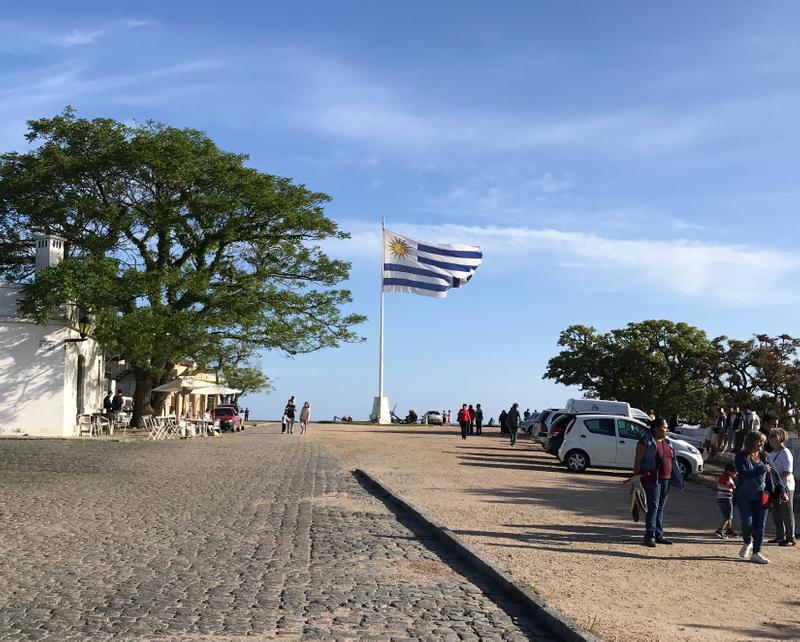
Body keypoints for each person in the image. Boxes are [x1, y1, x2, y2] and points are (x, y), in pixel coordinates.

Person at [632, 417, 678, 547]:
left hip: (666, 479)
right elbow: (638, 461)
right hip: (652, 479)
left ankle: (658, 535)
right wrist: (636, 479)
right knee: (653, 507)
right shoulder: (645, 441)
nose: (667, 429)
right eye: (665, 427)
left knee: (660, 508)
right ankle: (649, 536)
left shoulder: (668, 442)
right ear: (657, 428)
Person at [734, 431, 771, 563]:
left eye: (763, 441)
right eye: (759, 441)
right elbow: (743, 473)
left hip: (762, 495)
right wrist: (760, 470)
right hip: (744, 495)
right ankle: (747, 541)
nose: (762, 443)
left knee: (760, 524)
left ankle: (756, 552)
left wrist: (782, 489)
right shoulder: (740, 456)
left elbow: (774, 473)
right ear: (750, 442)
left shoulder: (764, 456)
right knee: (747, 522)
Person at [767, 428, 795, 546]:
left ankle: (790, 537)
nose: (772, 438)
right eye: (771, 435)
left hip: (785, 486)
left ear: (781, 437)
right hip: (775, 487)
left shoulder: (785, 452)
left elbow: (787, 471)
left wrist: (777, 482)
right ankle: (780, 536)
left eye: (774, 435)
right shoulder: (771, 453)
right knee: (776, 512)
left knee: (786, 512)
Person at [715, 463, 737, 538]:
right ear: (728, 471)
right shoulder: (729, 479)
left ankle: (729, 529)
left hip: (720, 498)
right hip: (726, 498)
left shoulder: (721, 477)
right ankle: (720, 530)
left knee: (727, 514)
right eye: (734, 472)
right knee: (728, 516)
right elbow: (734, 487)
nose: (735, 473)